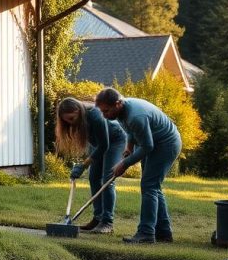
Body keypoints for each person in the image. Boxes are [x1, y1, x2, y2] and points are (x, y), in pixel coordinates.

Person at [94, 88, 183, 244]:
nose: (104, 115)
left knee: (149, 185)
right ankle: (163, 232)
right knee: (153, 186)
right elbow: (130, 130)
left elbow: (147, 146)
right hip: (155, 143)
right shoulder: (122, 111)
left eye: (106, 111)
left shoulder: (136, 115)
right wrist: (129, 146)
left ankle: (146, 233)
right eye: (102, 111)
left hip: (166, 143)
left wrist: (124, 163)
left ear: (117, 103)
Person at [54, 97, 127, 234]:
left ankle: (107, 222)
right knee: (93, 177)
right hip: (99, 144)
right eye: (66, 121)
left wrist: (84, 165)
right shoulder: (78, 119)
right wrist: (82, 165)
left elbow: (104, 145)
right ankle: (97, 218)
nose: (69, 123)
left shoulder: (95, 114)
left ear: (78, 111)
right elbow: (93, 144)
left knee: (107, 180)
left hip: (115, 140)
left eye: (71, 119)